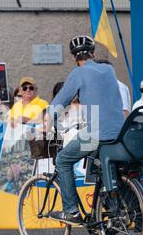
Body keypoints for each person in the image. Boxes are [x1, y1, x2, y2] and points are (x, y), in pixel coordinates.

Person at [46, 35, 124, 225]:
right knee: (100, 165)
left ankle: (71, 211)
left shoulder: (78, 73)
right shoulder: (108, 69)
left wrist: (50, 122)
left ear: (74, 58)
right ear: (94, 53)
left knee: (63, 160)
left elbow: (58, 103)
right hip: (120, 132)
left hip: (96, 132)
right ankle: (108, 211)